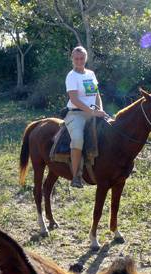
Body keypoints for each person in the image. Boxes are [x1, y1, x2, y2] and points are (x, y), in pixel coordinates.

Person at [64, 46, 107, 188]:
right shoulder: (71, 76)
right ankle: (76, 176)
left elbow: (96, 95)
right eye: (76, 58)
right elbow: (75, 99)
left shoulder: (90, 74)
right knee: (77, 139)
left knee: (111, 131)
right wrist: (92, 112)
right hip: (76, 114)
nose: (79, 61)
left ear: (86, 58)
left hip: (94, 112)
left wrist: (100, 110)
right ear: (72, 59)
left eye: (82, 58)